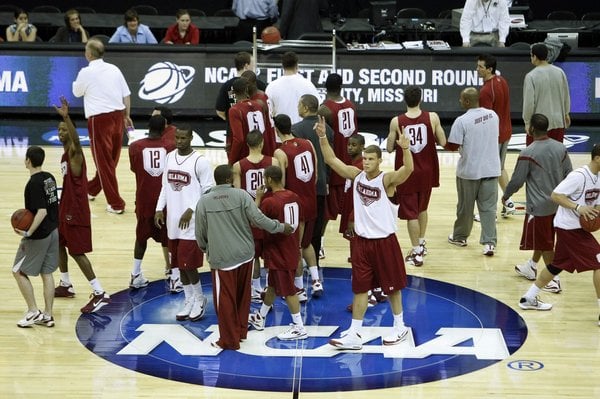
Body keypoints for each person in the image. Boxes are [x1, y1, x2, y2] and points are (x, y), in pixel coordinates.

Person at [314, 115, 414, 350]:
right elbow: (330, 159)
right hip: (361, 243)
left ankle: (400, 327)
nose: (366, 162)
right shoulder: (356, 175)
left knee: (392, 288)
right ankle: (354, 334)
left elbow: (407, 170)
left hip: (384, 242)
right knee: (360, 288)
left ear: (379, 160)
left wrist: (406, 149)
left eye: (371, 159)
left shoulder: (386, 180)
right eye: (365, 158)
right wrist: (321, 137)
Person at [195, 164, 293, 350]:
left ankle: (228, 341)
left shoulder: (204, 202)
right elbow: (259, 219)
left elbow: (200, 233)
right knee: (243, 295)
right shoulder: (241, 195)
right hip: (245, 255)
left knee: (224, 301)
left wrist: (207, 248)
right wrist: (280, 227)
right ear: (229, 179)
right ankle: (240, 332)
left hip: (222, 259)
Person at [518, 144, 600, 327]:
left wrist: (595, 216)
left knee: (556, 265)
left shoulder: (598, 178)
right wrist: (578, 208)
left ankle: (527, 298)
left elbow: (596, 206)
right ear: (597, 158)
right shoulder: (579, 176)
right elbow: (555, 195)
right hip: (569, 227)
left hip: (577, 229)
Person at [52, 97, 111, 314]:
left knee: (77, 252)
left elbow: (76, 143)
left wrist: (67, 117)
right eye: (59, 130)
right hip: (65, 208)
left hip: (76, 211)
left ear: (72, 132)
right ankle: (66, 283)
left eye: (64, 130)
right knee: (58, 242)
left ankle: (99, 292)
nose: (61, 133)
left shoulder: (75, 153)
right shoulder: (64, 155)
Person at [503, 114, 573, 294]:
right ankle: (532, 266)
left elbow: (517, 181)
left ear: (531, 129)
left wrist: (506, 195)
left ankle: (554, 279)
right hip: (559, 204)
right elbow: (569, 175)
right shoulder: (560, 148)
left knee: (546, 244)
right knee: (544, 239)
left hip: (539, 207)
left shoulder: (528, 152)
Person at [154, 125, 214, 321]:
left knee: (189, 265)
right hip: (173, 222)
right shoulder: (169, 157)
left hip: (191, 224)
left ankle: (199, 298)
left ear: (191, 137)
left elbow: (208, 192)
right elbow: (164, 186)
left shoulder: (200, 161)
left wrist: (192, 209)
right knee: (180, 265)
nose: (179, 141)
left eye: (183, 138)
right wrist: (158, 208)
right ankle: (188, 299)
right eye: (177, 138)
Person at [386, 86, 446, 267]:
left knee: (411, 214)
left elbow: (389, 148)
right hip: (427, 171)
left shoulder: (397, 121)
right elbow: (443, 141)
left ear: (404, 100)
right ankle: (421, 242)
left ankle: (417, 253)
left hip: (407, 172)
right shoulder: (433, 117)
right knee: (421, 209)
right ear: (421, 99)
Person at [72, 37, 132, 214]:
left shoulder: (85, 72)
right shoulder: (114, 69)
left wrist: (76, 82)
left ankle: (116, 204)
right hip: (118, 117)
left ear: (89, 54)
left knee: (104, 163)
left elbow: (76, 92)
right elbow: (126, 94)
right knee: (110, 161)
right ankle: (91, 189)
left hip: (100, 120)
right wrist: (127, 116)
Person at [248, 165, 307, 340]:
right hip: (290, 248)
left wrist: (258, 198)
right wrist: (298, 245)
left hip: (278, 251)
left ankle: (299, 327)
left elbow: (253, 220)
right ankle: (261, 316)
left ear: (269, 180)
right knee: (272, 285)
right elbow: (301, 222)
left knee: (289, 291)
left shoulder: (269, 201)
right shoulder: (294, 196)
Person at [446, 87, 501, 256]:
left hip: (469, 171)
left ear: (468, 101)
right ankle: (489, 243)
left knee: (465, 207)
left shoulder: (462, 121)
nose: (460, 101)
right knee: (489, 209)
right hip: (491, 169)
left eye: (461, 99)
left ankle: (460, 237)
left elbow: (452, 146)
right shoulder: (493, 115)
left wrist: (438, 136)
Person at [274, 114, 321, 299]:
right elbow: (315, 175)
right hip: (311, 200)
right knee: (306, 243)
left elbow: (282, 184)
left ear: (276, 129)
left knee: (295, 248)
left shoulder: (280, 152)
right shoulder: (308, 143)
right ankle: (316, 281)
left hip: (294, 205)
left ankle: (299, 288)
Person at [12, 146, 59, 327]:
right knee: (47, 273)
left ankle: (33, 311)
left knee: (18, 271)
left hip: (39, 235)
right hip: (54, 231)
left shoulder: (33, 183)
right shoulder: (50, 177)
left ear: (28, 161)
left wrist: (28, 232)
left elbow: (41, 211)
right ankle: (47, 315)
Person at [128, 115, 176, 290]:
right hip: (165, 202)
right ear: (165, 127)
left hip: (143, 200)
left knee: (141, 238)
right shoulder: (171, 147)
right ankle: (173, 275)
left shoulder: (134, 147)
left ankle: (135, 273)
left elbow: (135, 169)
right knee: (168, 237)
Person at [232, 130, 280, 301]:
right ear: (261, 143)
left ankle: (256, 289)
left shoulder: (238, 166)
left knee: (253, 255)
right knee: (271, 253)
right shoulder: (273, 161)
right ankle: (270, 286)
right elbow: (279, 188)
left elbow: (237, 194)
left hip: (249, 214)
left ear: (247, 145)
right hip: (270, 212)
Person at [319, 73, 358, 260]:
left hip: (334, 166)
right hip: (351, 164)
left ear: (325, 87)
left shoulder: (325, 108)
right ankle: (356, 249)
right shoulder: (350, 105)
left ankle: (320, 244)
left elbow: (323, 138)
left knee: (326, 211)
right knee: (353, 209)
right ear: (342, 86)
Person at [293, 94, 333, 275]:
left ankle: (298, 266)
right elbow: (331, 160)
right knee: (316, 230)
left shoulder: (296, 129)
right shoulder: (328, 130)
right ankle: (314, 264)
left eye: (299, 105)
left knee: (299, 228)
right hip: (321, 185)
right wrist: (328, 181)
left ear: (306, 107)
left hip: (301, 188)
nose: (298, 108)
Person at [476, 53, 514, 219]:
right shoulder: (502, 81)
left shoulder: (485, 91)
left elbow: (486, 119)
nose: (477, 69)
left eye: (480, 67)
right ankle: (508, 202)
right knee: (499, 168)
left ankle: (488, 212)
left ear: (489, 69)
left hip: (494, 136)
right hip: (506, 131)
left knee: (489, 173)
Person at [215, 52, 266, 153]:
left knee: (235, 165)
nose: (254, 66)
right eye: (253, 63)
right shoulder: (259, 84)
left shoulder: (227, 85)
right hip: (257, 133)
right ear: (246, 66)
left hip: (234, 132)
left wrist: (232, 119)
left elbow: (219, 111)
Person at [523, 43, 571, 145]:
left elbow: (529, 103)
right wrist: (566, 113)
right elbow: (566, 95)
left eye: (531, 55)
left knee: (536, 157)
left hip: (539, 125)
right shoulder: (560, 72)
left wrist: (527, 122)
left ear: (535, 57)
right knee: (556, 156)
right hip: (558, 121)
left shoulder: (531, 76)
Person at [265, 51, 320, 125]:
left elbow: (268, 113)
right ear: (297, 66)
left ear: (282, 66)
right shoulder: (308, 84)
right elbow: (317, 108)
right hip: (302, 132)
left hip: (281, 133)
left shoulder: (272, 86)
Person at [227, 77, 271, 165]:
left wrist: (231, 161)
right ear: (247, 89)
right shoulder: (259, 105)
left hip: (246, 155)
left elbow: (239, 139)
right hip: (262, 152)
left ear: (233, 93)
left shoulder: (235, 109)